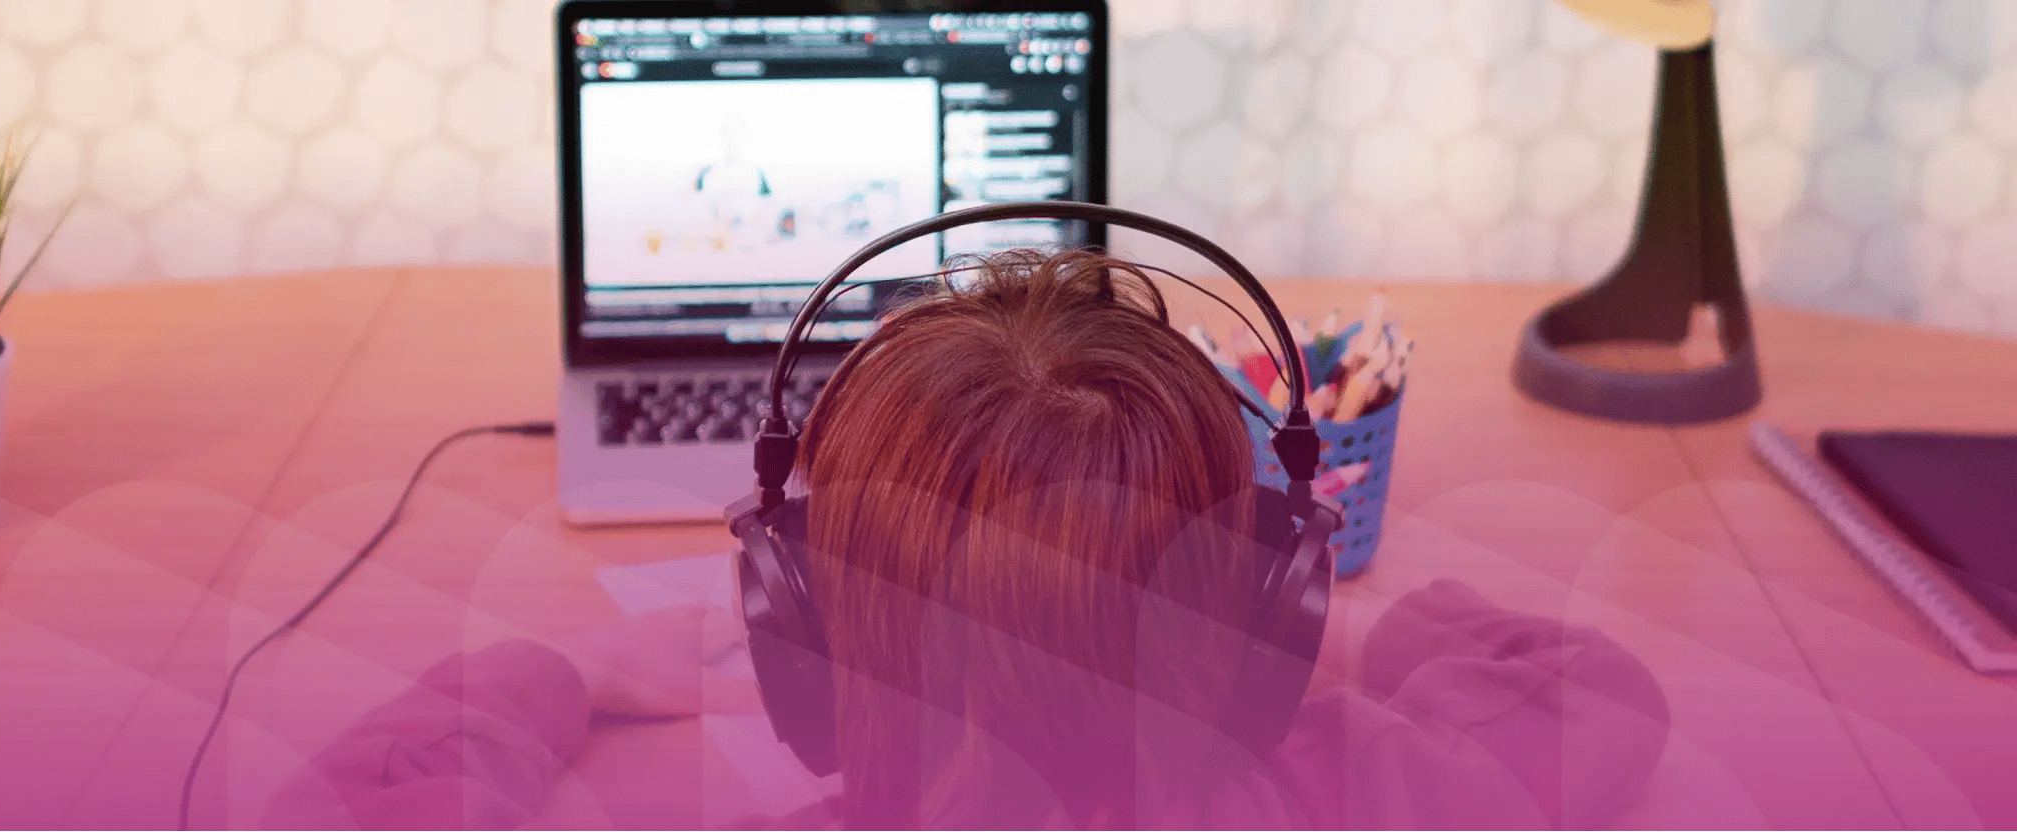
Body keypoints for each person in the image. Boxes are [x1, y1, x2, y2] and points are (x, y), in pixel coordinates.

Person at [261, 249, 1672, 830]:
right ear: (1258, 621)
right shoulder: (1382, 792)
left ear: (794, 623)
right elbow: (1597, 693)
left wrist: (553, 668)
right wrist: (1300, 613)